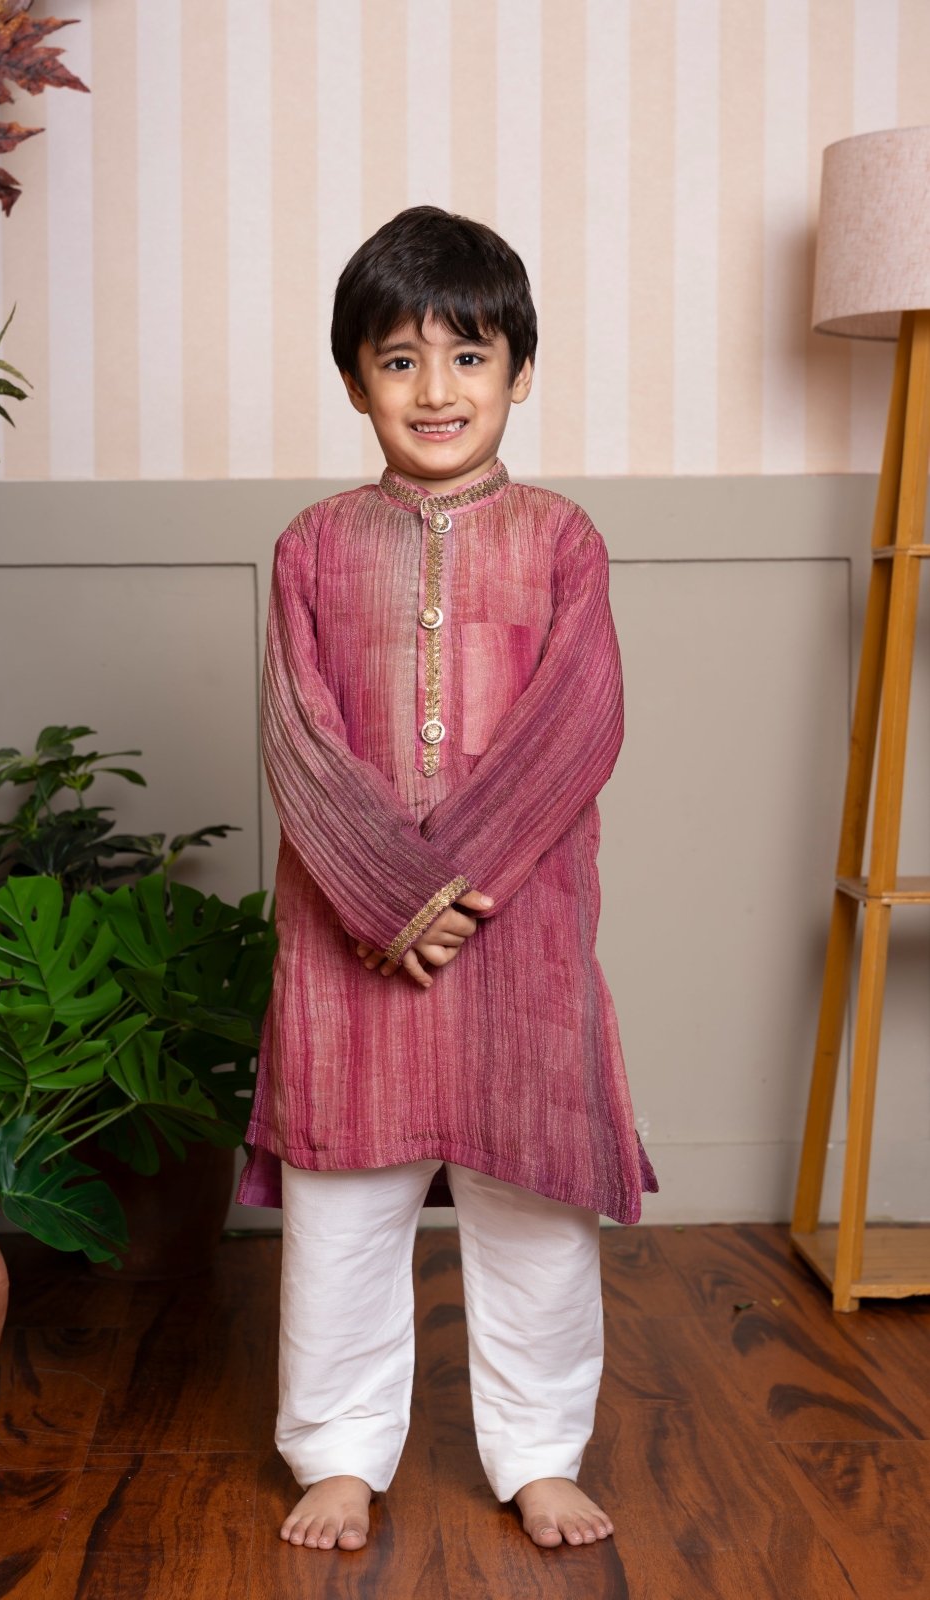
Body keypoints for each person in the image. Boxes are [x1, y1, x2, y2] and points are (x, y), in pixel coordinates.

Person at [235, 204, 659, 1554]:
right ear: (354, 378)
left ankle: (539, 1453)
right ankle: (337, 1453)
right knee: (343, 1209)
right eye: (400, 359)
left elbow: (579, 721)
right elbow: (298, 737)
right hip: (346, 941)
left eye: (470, 357)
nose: (436, 389)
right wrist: (384, 898)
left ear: (520, 373)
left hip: (519, 933)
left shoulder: (561, 540)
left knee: (533, 1204)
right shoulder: (312, 546)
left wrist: (450, 887)